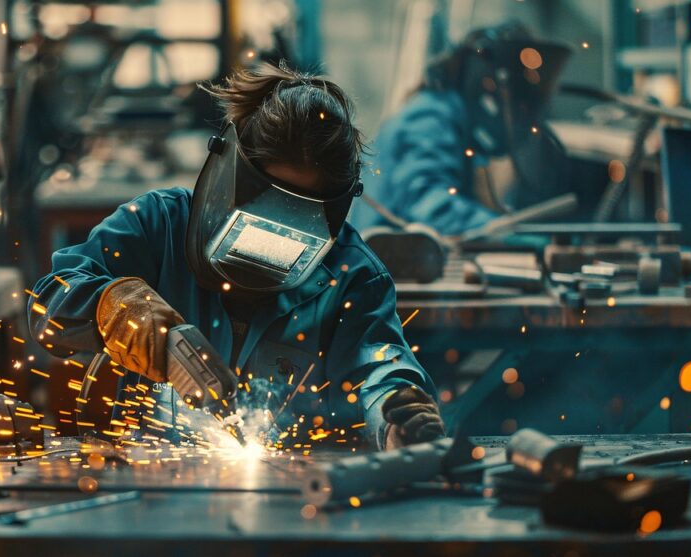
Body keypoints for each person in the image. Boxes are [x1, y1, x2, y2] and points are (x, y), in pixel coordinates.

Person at [29, 62, 442, 450]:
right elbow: (50, 303)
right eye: (266, 210)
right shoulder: (157, 227)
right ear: (227, 177)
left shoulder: (351, 275)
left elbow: (375, 368)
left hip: (295, 501)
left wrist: (394, 415)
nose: (275, 237)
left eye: (299, 219)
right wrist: (121, 312)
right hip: (148, 486)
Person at [350, 22, 573, 237]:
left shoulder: (455, 120)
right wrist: (501, 231)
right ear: (488, 81)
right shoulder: (429, 118)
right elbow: (428, 206)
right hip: (390, 266)